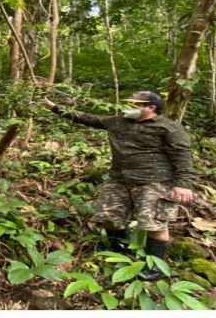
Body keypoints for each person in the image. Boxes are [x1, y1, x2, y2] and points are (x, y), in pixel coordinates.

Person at [45, 90, 194, 281]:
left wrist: (184, 184)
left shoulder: (169, 128)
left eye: (135, 104)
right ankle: (119, 250)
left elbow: (182, 156)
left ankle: (155, 268)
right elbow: (87, 118)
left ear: (151, 108)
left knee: (154, 223)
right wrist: (55, 108)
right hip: (119, 179)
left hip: (155, 181)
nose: (129, 107)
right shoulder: (117, 122)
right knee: (108, 215)